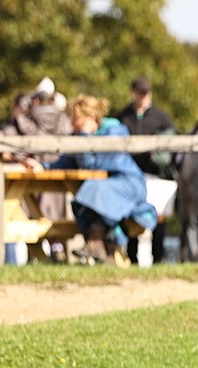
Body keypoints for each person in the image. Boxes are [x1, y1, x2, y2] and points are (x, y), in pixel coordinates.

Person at [46, 96, 156, 265]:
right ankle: (102, 249)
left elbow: (91, 166)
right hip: (106, 188)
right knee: (93, 194)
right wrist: (42, 166)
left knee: (95, 190)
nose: (72, 123)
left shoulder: (113, 134)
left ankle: (96, 243)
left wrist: (85, 135)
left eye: (76, 118)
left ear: (90, 118)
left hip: (128, 185)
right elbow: (63, 163)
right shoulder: (79, 137)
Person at [116, 77, 176, 264]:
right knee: (131, 216)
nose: (143, 96)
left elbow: (172, 143)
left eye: (146, 92)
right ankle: (132, 257)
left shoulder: (161, 117)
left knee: (158, 218)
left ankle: (158, 258)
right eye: (140, 92)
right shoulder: (123, 116)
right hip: (130, 175)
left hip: (155, 175)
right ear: (133, 92)